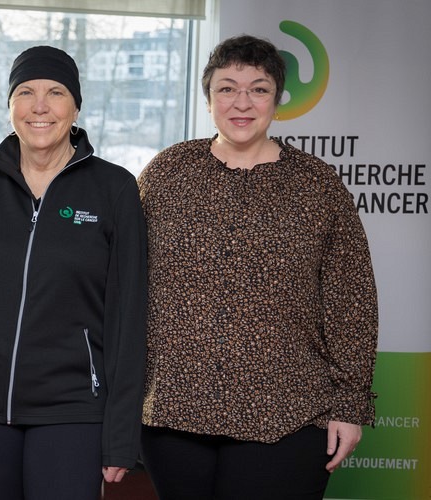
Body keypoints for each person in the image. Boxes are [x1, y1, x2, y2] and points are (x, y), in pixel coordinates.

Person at [137, 34, 379, 500]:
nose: (241, 102)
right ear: (208, 98)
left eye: (259, 88)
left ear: (277, 98)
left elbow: (352, 299)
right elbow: (124, 281)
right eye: (227, 88)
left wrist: (350, 405)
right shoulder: (167, 173)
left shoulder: (317, 185)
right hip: (173, 412)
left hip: (289, 413)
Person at [0, 46, 148, 500]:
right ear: (10, 107)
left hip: (74, 409)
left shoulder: (113, 187)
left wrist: (121, 434)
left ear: (75, 106)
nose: (40, 106)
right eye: (26, 92)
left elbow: (128, 317)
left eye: (55, 92)